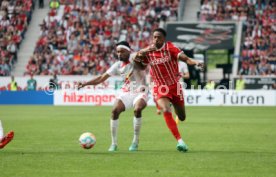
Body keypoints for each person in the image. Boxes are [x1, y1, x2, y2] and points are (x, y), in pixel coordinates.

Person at [135, 28, 204, 152]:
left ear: (164, 39)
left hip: (175, 86)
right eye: (154, 37)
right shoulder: (148, 51)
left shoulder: (170, 48)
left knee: (182, 117)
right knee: (166, 109)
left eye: (159, 37)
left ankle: (172, 103)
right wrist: (141, 53)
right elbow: (140, 66)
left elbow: (186, 59)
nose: (156, 39)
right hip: (159, 87)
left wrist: (196, 63)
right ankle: (180, 141)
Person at [78, 41, 148, 152]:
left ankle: (135, 141)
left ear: (128, 51)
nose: (119, 54)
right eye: (118, 52)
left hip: (141, 91)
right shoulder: (117, 65)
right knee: (115, 110)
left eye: (122, 51)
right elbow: (101, 78)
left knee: (138, 109)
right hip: (126, 92)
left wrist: (143, 53)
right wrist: (86, 84)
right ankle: (114, 144)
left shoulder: (135, 58)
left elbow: (143, 61)